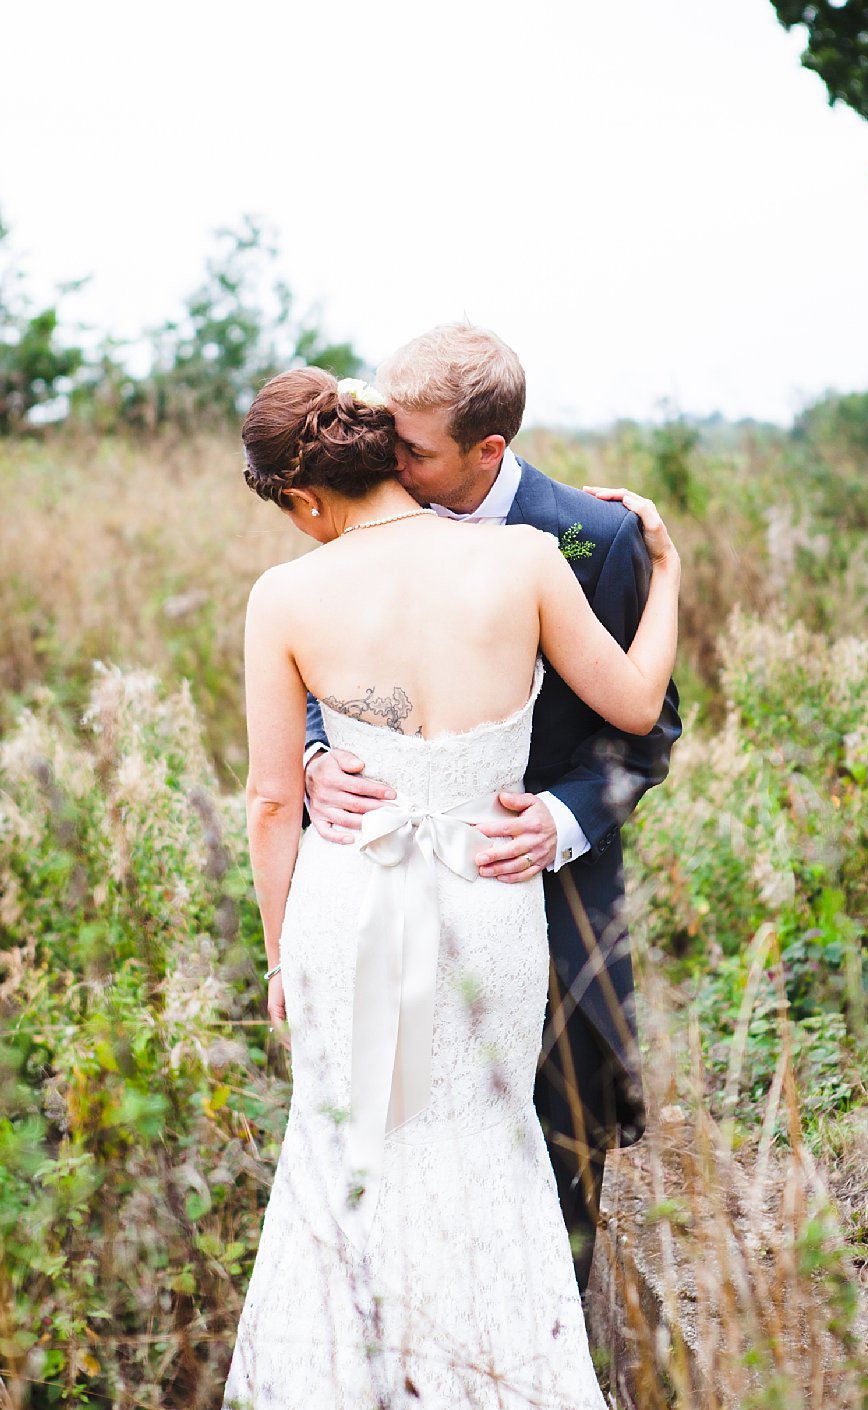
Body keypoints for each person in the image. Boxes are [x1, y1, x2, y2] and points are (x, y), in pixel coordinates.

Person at [223, 359, 680, 1409]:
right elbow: (637, 697)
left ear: (301, 497)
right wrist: (671, 569)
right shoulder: (519, 560)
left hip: (351, 905)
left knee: (355, 1144)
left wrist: (279, 954)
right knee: (482, 1146)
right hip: (484, 901)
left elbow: (266, 801)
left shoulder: (285, 595)